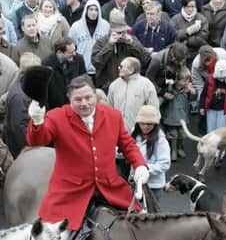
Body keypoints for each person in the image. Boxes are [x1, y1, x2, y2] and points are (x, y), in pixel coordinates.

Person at [26, 74, 149, 231]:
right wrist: (37, 121)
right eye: (78, 100)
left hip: (110, 188)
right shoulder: (56, 117)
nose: (84, 103)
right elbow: (37, 141)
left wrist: (140, 165)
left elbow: (128, 144)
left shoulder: (113, 115)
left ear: (95, 94)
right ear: (69, 98)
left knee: (143, 224)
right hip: (70, 192)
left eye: (88, 98)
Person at [91, 15, 150, 91]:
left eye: (124, 31)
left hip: (130, 85)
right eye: (119, 32)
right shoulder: (101, 42)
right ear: (112, 31)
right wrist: (109, 45)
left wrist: (132, 44)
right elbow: (96, 63)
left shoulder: (131, 40)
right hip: (108, 87)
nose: (122, 35)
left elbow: (145, 58)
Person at [106, 56, 159, 133]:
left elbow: (154, 110)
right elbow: (109, 109)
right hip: (117, 132)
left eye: (121, 66)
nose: (118, 68)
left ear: (131, 70)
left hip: (139, 134)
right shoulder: (114, 85)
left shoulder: (147, 85)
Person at [130, 105, 170, 200]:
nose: (145, 126)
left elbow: (165, 164)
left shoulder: (161, 140)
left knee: (151, 214)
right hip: (135, 184)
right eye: (142, 123)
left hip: (153, 187)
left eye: (149, 124)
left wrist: (144, 169)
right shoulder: (133, 134)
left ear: (155, 124)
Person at [68, 0, 109, 79]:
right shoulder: (76, 26)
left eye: (96, 10)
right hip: (81, 69)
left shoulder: (106, 26)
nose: (93, 12)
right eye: (91, 9)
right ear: (86, 10)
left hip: (100, 69)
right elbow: (70, 46)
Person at [42, 37, 86, 110]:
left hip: (75, 104)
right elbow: (45, 90)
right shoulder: (47, 64)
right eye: (70, 52)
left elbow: (84, 80)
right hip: (56, 107)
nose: (74, 54)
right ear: (59, 52)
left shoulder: (79, 59)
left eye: (75, 50)